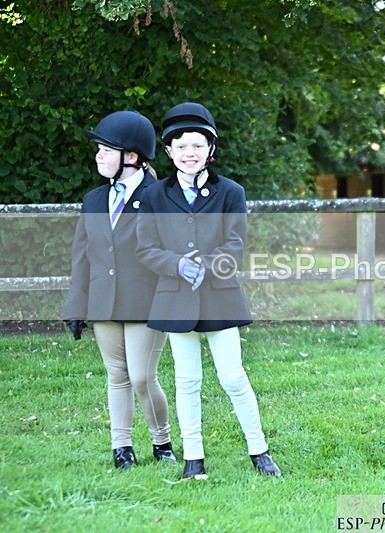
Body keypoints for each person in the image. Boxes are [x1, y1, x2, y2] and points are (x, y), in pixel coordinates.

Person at [135, 102, 281, 479]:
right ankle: (193, 458)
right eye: (181, 146)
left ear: (210, 150)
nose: (189, 153)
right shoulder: (153, 196)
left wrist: (208, 263)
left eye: (198, 145)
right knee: (187, 379)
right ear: (168, 152)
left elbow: (236, 243)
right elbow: (145, 247)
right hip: (175, 297)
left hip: (219, 293)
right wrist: (177, 264)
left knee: (233, 376)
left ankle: (259, 448)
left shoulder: (230, 192)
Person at [63, 110, 176, 469]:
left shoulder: (159, 195)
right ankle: (121, 447)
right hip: (103, 301)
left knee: (142, 377)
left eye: (106, 149)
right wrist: (75, 306)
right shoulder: (93, 200)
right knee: (117, 375)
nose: (98, 155)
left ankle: (162, 442)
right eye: (98, 148)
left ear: (132, 156)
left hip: (147, 302)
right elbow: (82, 257)